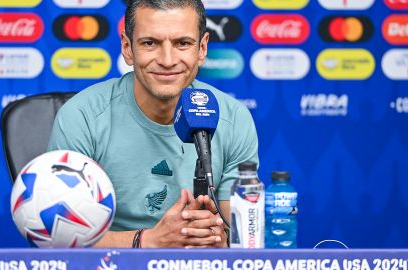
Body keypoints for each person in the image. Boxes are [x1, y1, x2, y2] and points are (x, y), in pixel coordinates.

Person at [47, 0, 258, 248]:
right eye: (150, 43)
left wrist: (219, 238)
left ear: (202, 49)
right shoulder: (81, 117)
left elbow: (242, 234)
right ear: (127, 47)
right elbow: (59, 236)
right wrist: (147, 241)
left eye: (182, 43)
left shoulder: (233, 119)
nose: (167, 60)